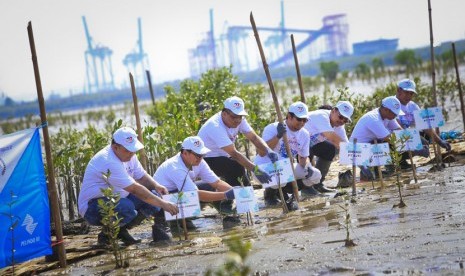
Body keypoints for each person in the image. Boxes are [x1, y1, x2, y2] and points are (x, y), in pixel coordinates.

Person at [78, 127, 179, 246]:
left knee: (154, 199)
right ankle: (106, 235)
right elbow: (135, 189)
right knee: (127, 208)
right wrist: (164, 204)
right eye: (128, 151)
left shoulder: (128, 155)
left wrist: (156, 185)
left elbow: (141, 176)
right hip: (92, 207)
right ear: (115, 147)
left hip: (118, 199)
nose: (132, 154)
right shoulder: (108, 161)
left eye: (133, 150)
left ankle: (120, 230)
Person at [153, 136, 236, 229]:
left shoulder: (199, 162)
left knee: (209, 186)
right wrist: (225, 195)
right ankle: (175, 221)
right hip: (163, 200)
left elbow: (216, 182)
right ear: (185, 153)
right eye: (197, 155)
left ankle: (224, 212)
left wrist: (236, 192)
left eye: (202, 155)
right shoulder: (175, 167)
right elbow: (195, 194)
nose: (200, 158)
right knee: (193, 195)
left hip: (179, 194)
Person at [198, 96, 277, 187]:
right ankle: (231, 197)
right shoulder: (214, 126)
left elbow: (254, 138)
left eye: (240, 116)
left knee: (241, 175)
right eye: (234, 117)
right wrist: (256, 171)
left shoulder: (239, 119)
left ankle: (243, 195)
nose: (238, 120)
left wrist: (268, 150)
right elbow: (234, 153)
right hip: (206, 160)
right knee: (236, 166)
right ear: (224, 114)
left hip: (224, 156)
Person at [255, 102, 322, 209]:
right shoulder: (272, 128)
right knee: (281, 178)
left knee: (315, 175)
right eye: (299, 119)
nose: (302, 122)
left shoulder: (304, 134)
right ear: (289, 116)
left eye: (305, 120)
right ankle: (269, 195)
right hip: (264, 168)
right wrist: (278, 136)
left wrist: (307, 167)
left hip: (287, 166)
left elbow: (303, 157)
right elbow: (261, 153)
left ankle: (288, 192)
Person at [395, 78, 451, 166]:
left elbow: (425, 126)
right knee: (418, 142)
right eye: (406, 93)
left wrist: (440, 141)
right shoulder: (391, 104)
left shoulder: (413, 106)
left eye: (411, 93)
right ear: (398, 90)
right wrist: (415, 145)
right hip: (390, 138)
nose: (409, 96)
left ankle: (402, 162)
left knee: (424, 141)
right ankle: (393, 162)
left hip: (404, 137)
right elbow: (398, 128)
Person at [303, 101, 354, 194]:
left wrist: (363, 165)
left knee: (329, 149)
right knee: (307, 151)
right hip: (293, 143)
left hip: (308, 143)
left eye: (345, 120)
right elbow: (333, 139)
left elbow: (347, 147)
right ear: (334, 110)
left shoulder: (339, 126)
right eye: (341, 117)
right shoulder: (321, 116)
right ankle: (306, 188)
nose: (342, 121)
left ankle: (317, 184)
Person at [349, 96, 404, 180]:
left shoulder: (389, 116)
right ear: (386, 109)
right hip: (357, 152)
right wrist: (413, 145)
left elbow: (400, 131)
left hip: (370, 146)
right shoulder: (373, 118)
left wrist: (414, 139)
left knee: (387, 142)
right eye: (394, 113)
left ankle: (390, 168)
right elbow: (390, 139)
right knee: (371, 178)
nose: (396, 115)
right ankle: (369, 171)